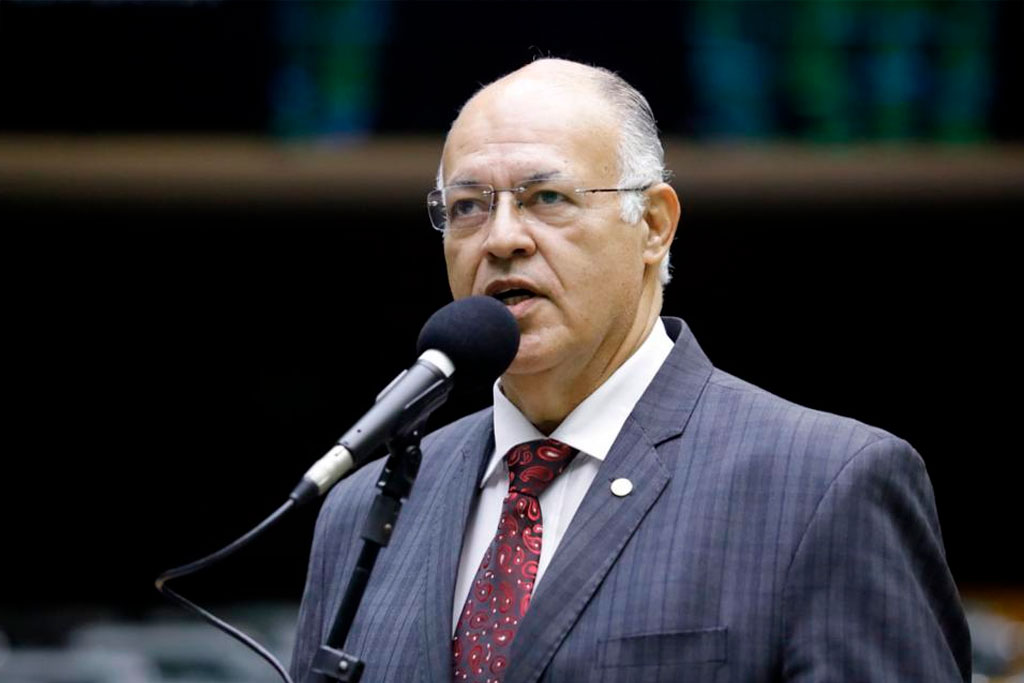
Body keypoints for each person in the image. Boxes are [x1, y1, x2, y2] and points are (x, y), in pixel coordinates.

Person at [290, 58, 970, 682]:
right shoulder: (363, 510)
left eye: (545, 197)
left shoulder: (828, 484)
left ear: (653, 223)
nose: (500, 238)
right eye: (468, 206)